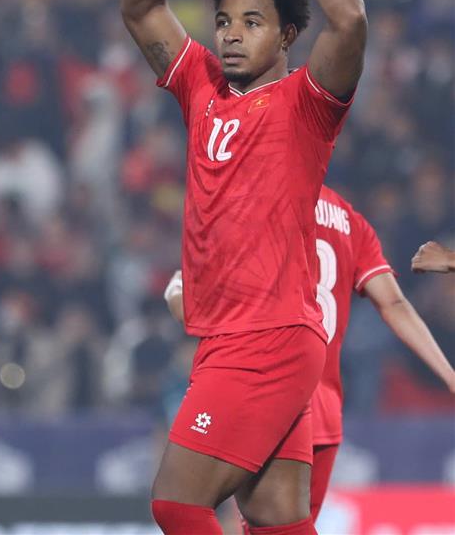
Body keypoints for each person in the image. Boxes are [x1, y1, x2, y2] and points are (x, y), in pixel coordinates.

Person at [120, 0, 367, 535]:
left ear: (287, 35)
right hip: (235, 336)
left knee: (176, 503)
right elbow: (138, 5)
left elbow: (349, 20)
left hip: (266, 338)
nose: (231, 35)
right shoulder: (200, 87)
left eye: (252, 23)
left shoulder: (306, 105)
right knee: (275, 519)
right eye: (224, 21)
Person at [165, 185, 455, 522]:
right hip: (324, 411)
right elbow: (393, 302)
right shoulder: (351, 221)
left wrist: (178, 295)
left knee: (186, 504)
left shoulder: (258, 205)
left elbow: (216, 313)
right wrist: (449, 375)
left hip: (269, 397)